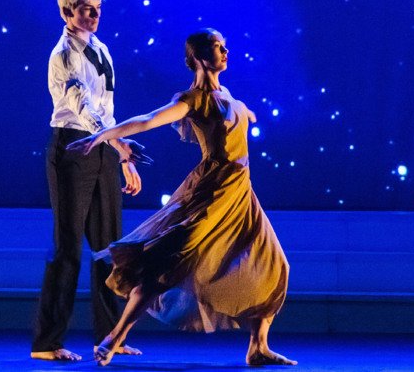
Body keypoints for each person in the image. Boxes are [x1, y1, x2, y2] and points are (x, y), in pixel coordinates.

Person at [66, 28, 296, 366]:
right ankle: (116, 336)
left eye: (225, 46)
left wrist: (245, 112)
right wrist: (102, 136)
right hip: (210, 193)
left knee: (276, 264)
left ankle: (258, 346)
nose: (226, 51)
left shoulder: (229, 96)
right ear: (202, 57)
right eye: (219, 47)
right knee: (164, 266)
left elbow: (234, 116)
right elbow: (148, 120)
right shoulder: (192, 100)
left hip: (241, 196)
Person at [31, 0, 151, 361]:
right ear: (68, 12)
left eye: (98, 9)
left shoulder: (100, 48)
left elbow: (108, 111)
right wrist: (120, 145)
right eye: (87, 9)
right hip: (72, 148)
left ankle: (109, 335)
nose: (95, 15)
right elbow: (84, 111)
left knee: (109, 248)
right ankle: (47, 342)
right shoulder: (64, 53)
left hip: (102, 151)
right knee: (68, 248)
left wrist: (121, 158)